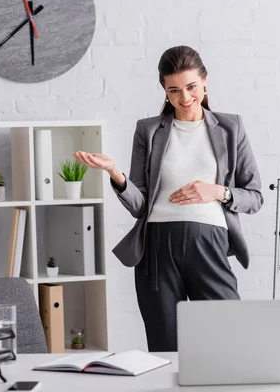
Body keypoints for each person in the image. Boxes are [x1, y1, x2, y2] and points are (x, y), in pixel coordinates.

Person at [73, 45, 263, 352]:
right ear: (164, 90)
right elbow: (139, 205)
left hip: (209, 242)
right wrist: (115, 173)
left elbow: (254, 196)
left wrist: (217, 192)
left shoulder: (230, 127)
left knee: (228, 340)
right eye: (174, 90)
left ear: (205, 81)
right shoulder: (148, 130)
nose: (184, 98)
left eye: (191, 87)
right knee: (165, 346)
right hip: (157, 247)